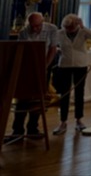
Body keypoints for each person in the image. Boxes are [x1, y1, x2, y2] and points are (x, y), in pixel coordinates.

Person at [5, 12, 58, 143]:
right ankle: (17, 131)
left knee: (37, 101)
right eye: (32, 26)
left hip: (43, 67)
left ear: (42, 23)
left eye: (37, 26)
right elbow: (21, 50)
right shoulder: (24, 31)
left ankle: (33, 129)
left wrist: (44, 66)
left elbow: (52, 49)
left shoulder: (52, 29)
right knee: (22, 101)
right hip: (26, 70)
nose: (34, 29)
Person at [52, 14, 91, 135]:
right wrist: (57, 50)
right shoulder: (59, 33)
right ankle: (63, 122)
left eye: (71, 27)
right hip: (64, 65)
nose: (69, 30)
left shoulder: (83, 32)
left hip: (80, 65)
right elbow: (53, 45)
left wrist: (83, 27)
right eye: (67, 27)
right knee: (64, 93)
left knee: (79, 92)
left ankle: (79, 120)